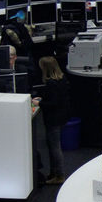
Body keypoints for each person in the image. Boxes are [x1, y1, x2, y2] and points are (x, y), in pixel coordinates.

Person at [31, 56, 71, 185]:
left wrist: (39, 103)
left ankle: (59, 174)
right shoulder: (62, 79)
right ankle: (54, 173)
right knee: (53, 145)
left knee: (54, 147)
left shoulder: (51, 84)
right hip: (61, 116)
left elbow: (53, 103)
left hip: (52, 118)